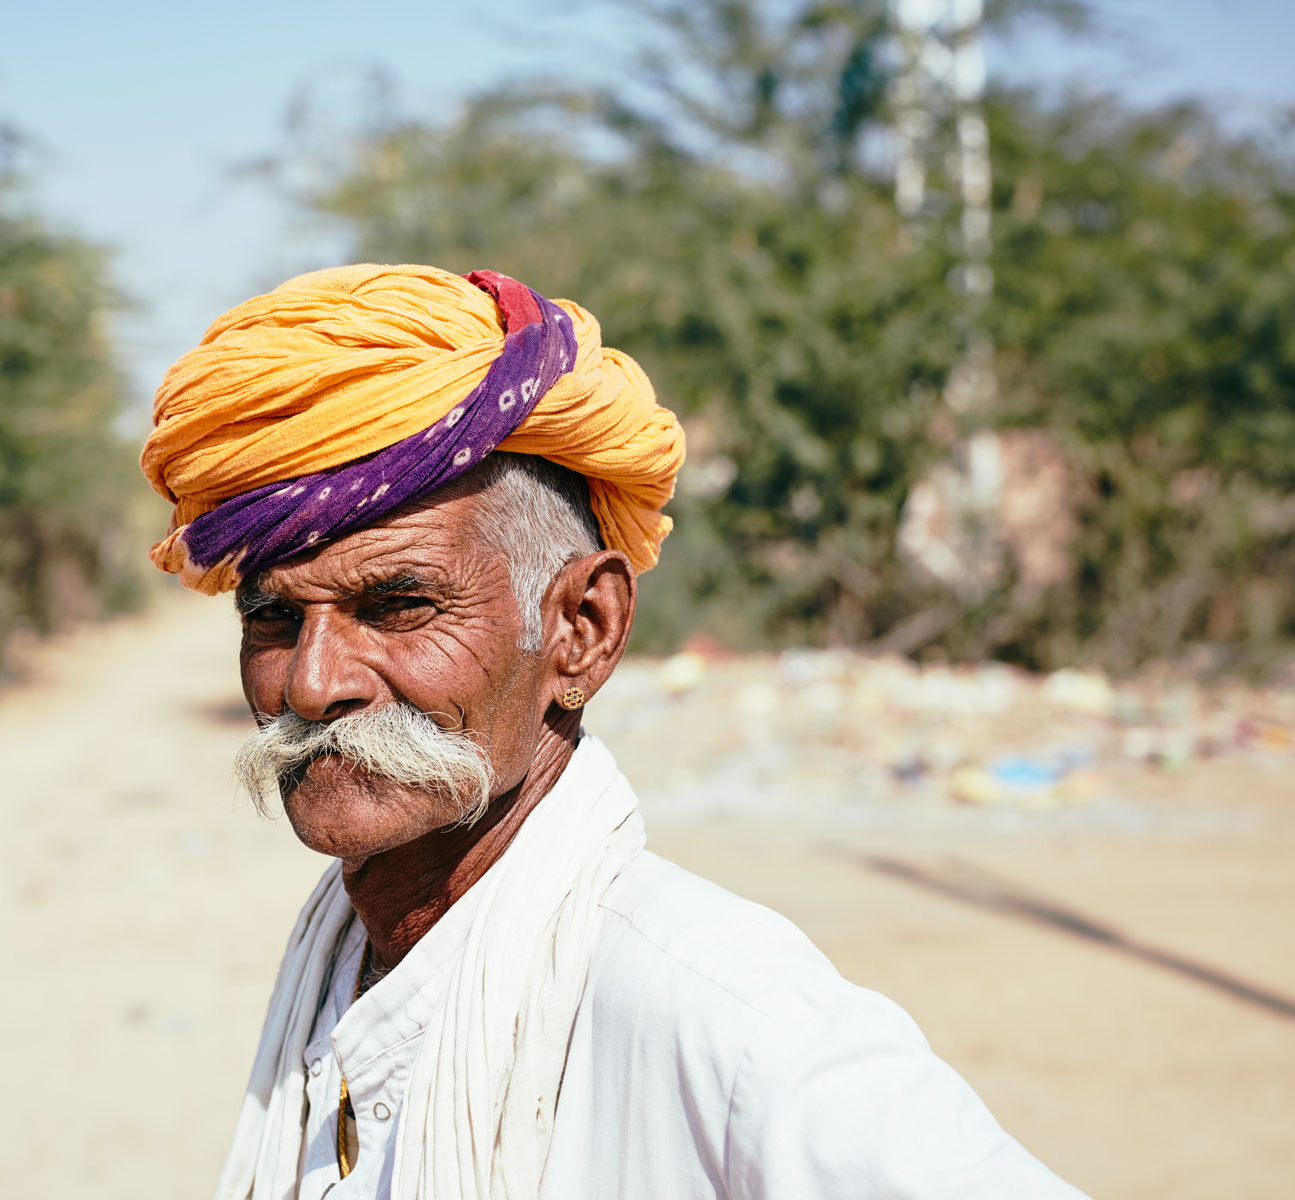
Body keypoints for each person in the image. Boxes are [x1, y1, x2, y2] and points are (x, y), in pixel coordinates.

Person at [142, 264, 1086, 1200]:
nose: (312, 684)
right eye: (272, 619)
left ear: (582, 632)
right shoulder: (347, 958)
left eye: (397, 605)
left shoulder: (732, 1018)